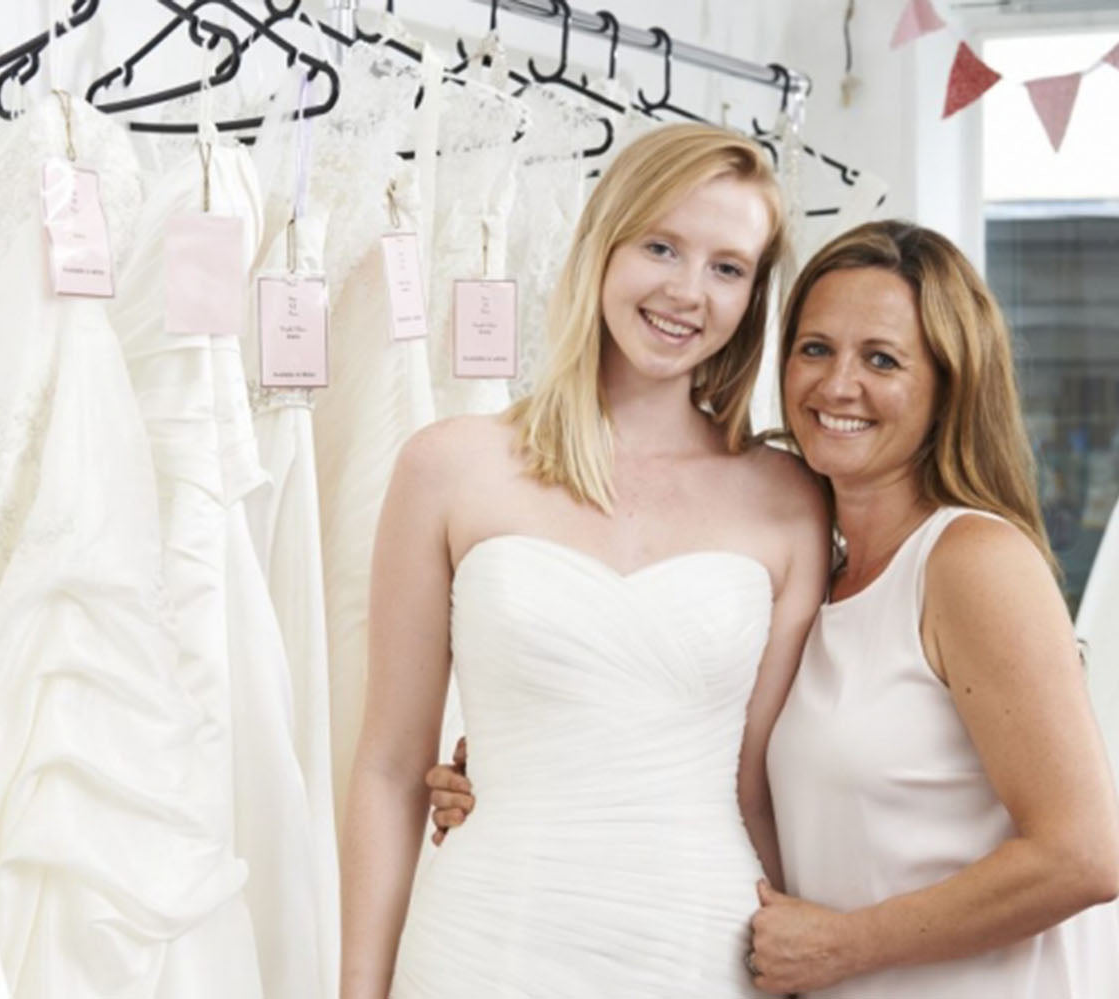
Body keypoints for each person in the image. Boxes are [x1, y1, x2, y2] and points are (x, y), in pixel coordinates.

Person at [427, 220, 1119, 997]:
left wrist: (845, 944)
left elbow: (1083, 855)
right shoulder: (816, 576)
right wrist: (518, 767)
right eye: (816, 348)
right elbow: (726, 767)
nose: (837, 385)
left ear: (948, 384)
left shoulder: (972, 561)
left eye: (883, 359)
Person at [338, 123, 831, 998]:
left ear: (754, 296)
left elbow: (759, 781)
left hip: (701, 946)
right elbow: (387, 768)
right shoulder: (450, 465)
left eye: (728, 267)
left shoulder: (789, 497)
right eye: (662, 246)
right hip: (485, 939)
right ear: (602, 244)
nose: (688, 291)